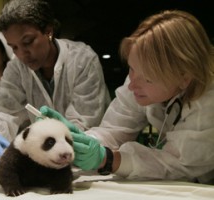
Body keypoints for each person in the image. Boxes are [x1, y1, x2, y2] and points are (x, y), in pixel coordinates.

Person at [41, 10, 214, 184]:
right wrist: (79, 141)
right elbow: (114, 130)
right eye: (131, 69)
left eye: (147, 78)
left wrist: (108, 159)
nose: (131, 85)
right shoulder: (140, 78)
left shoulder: (209, 101)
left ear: (184, 77)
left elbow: (181, 165)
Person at [0, 0, 111, 176]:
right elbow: (3, 110)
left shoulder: (82, 60)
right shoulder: (17, 68)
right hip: (44, 161)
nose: (22, 54)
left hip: (87, 164)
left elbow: (83, 123)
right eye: (14, 47)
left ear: (48, 31)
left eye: (28, 42)